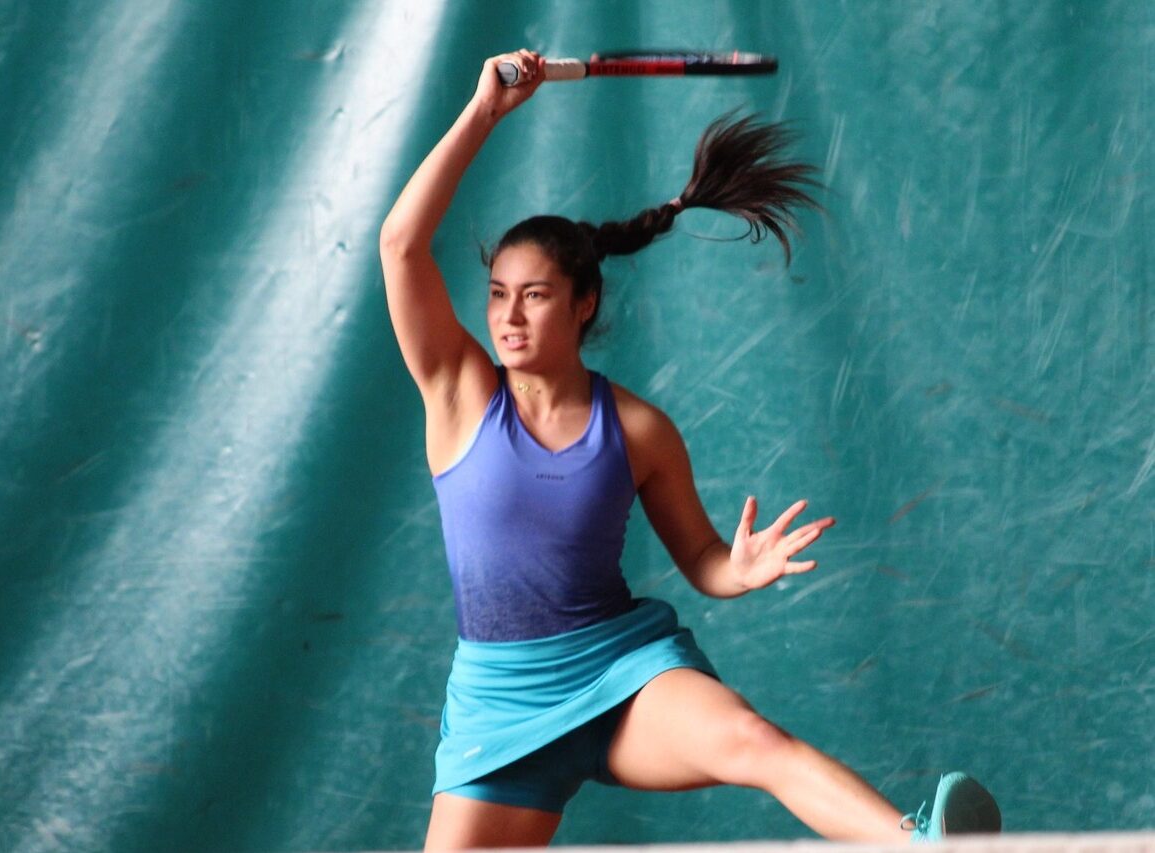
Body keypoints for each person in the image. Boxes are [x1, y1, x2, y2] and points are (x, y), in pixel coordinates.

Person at [378, 50, 1001, 851]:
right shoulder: (457, 391)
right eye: (498, 294)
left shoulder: (637, 429)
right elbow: (401, 244)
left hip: (621, 675)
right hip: (496, 703)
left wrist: (734, 572)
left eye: (533, 295)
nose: (509, 316)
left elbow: (701, 555)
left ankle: (918, 842)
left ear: (584, 302)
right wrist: (483, 113)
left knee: (752, 739)